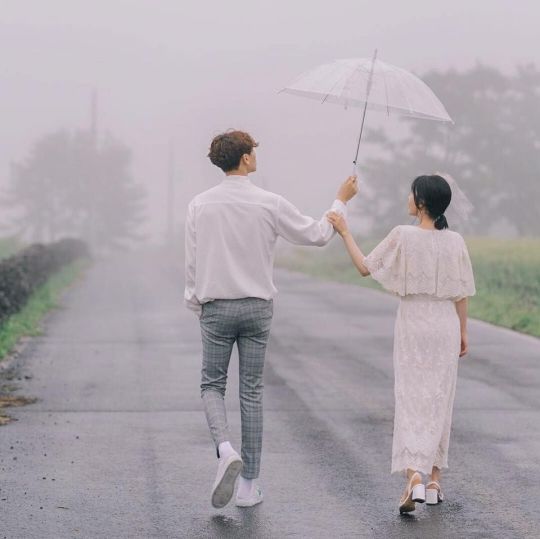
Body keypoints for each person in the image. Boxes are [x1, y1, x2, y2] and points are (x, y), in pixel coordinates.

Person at [184, 130, 358, 508]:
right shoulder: (269, 202)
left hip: (215, 306)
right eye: (254, 151)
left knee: (212, 385)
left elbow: (192, 264)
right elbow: (318, 235)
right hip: (257, 307)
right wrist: (341, 200)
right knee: (251, 391)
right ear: (245, 158)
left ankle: (225, 449)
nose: (256, 156)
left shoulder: (200, 205)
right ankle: (249, 487)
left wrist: (197, 304)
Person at [327, 174, 475, 514]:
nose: (407, 197)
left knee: (411, 398)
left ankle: (414, 477)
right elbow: (462, 292)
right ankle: (434, 481)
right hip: (446, 324)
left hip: (414, 323)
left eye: (411, 193)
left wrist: (345, 232)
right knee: (440, 399)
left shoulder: (403, 235)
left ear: (421, 202)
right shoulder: (455, 241)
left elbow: (365, 267)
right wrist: (463, 332)